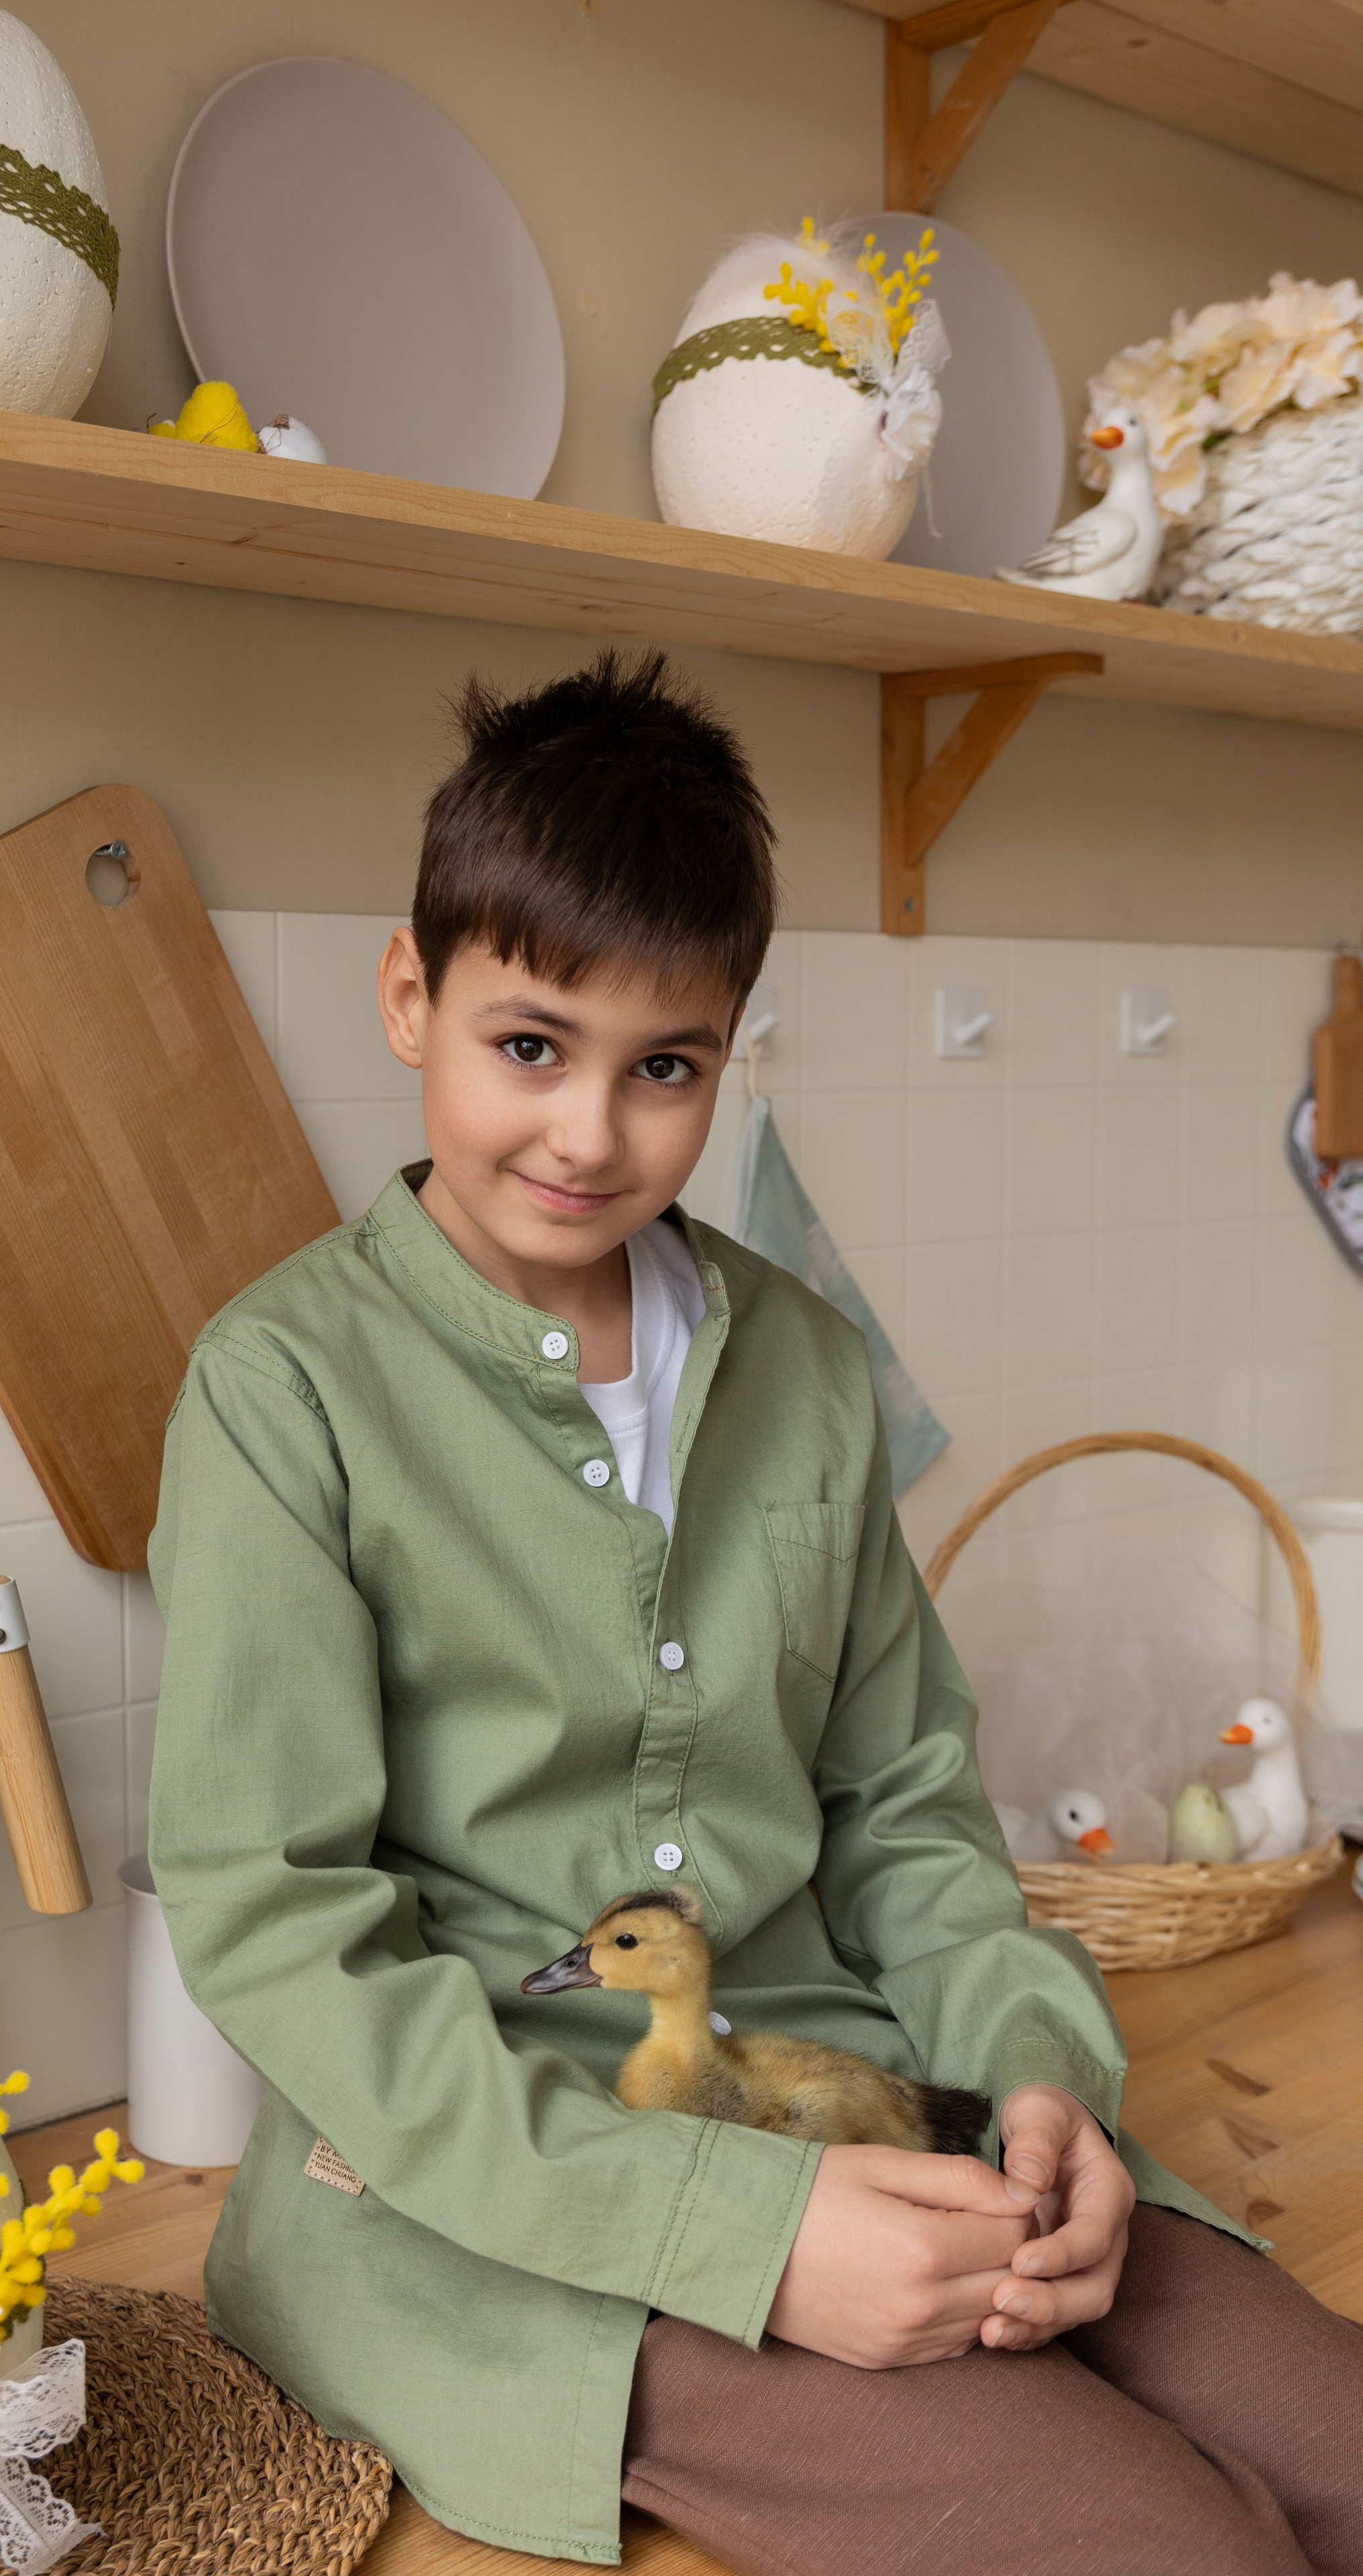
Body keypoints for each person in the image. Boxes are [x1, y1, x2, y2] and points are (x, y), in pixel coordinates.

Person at [149, 652, 1363, 2576]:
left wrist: (1041, 2080)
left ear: (729, 1049)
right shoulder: (280, 1385)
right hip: (485, 2188)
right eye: (529, 1046)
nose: (588, 1134)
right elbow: (275, 1919)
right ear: (411, 998)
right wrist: (750, 2239)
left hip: (865, 2090)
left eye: (667, 1068)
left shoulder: (802, 1362)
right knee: (1185, 2548)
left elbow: (908, 1807)